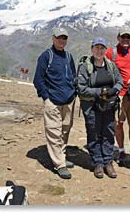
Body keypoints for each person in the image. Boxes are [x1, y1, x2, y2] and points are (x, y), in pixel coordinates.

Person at [77, 37, 123, 179]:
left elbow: (120, 81)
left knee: (108, 133)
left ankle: (108, 161)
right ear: (92, 49)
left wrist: (114, 90)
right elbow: (81, 88)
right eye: (96, 47)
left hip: (108, 106)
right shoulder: (86, 66)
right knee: (94, 133)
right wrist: (100, 92)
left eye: (102, 48)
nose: (99, 50)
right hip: (92, 107)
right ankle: (98, 162)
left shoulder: (110, 65)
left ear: (106, 50)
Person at [33, 27, 76, 179]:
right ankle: (59, 164)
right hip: (53, 101)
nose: (61, 41)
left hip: (69, 100)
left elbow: (73, 75)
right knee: (54, 132)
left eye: (64, 38)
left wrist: (74, 93)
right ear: (53, 38)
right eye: (59, 38)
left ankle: (61, 157)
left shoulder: (69, 56)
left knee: (65, 130)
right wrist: (46, 97)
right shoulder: (46, 56)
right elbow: (38, 79)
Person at [106, 26, 130, 167]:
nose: (125, 39)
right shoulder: (112, 53)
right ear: (118, 38)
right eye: (123, 37)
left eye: (128, 37)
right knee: (118, 123)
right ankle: (121, 151)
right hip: (118, 95)